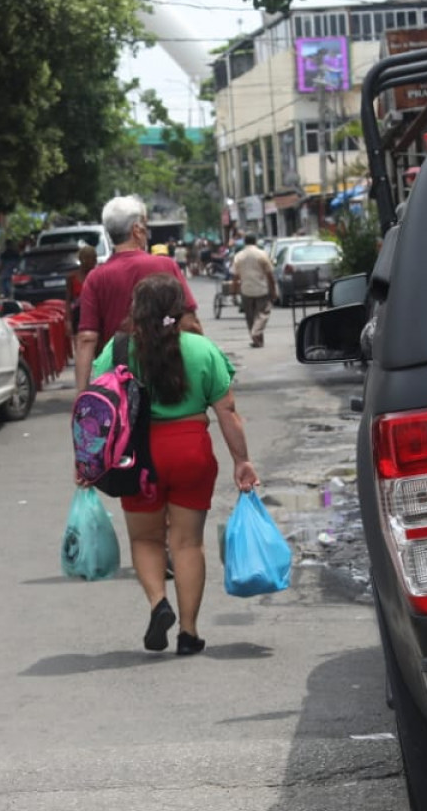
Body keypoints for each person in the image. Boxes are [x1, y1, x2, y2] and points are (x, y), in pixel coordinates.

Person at [91, 275, 258, 655]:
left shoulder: (117, 349)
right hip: (190, 452)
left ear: (136, 310)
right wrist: (242, 460)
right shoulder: (201, 349)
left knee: (145, 539)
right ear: (178, 310)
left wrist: (88, 461)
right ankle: (189, 632)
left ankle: (157, 604)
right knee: (187, 543)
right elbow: (227, 412)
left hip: (136, 458)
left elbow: (97, 409)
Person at [74, 195, 199, 386]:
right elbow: (189, 324)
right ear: (136, 230)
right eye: (145, 227)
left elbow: (86, 338)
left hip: (118, 381)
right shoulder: (165, 266)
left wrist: (81, 395)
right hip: (167, 375)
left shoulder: (96, 278)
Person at [230, 233, 277, 349]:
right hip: (261, 289)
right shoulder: (262, 254)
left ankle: (257, 340)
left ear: (245, 242)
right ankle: (256, 334)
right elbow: (270, 274)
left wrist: (234, 292)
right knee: (263, 313)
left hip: (246, 290)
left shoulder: (239, 256)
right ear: (255, 241)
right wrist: (273, 290)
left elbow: (235, 277)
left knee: (250, 317)